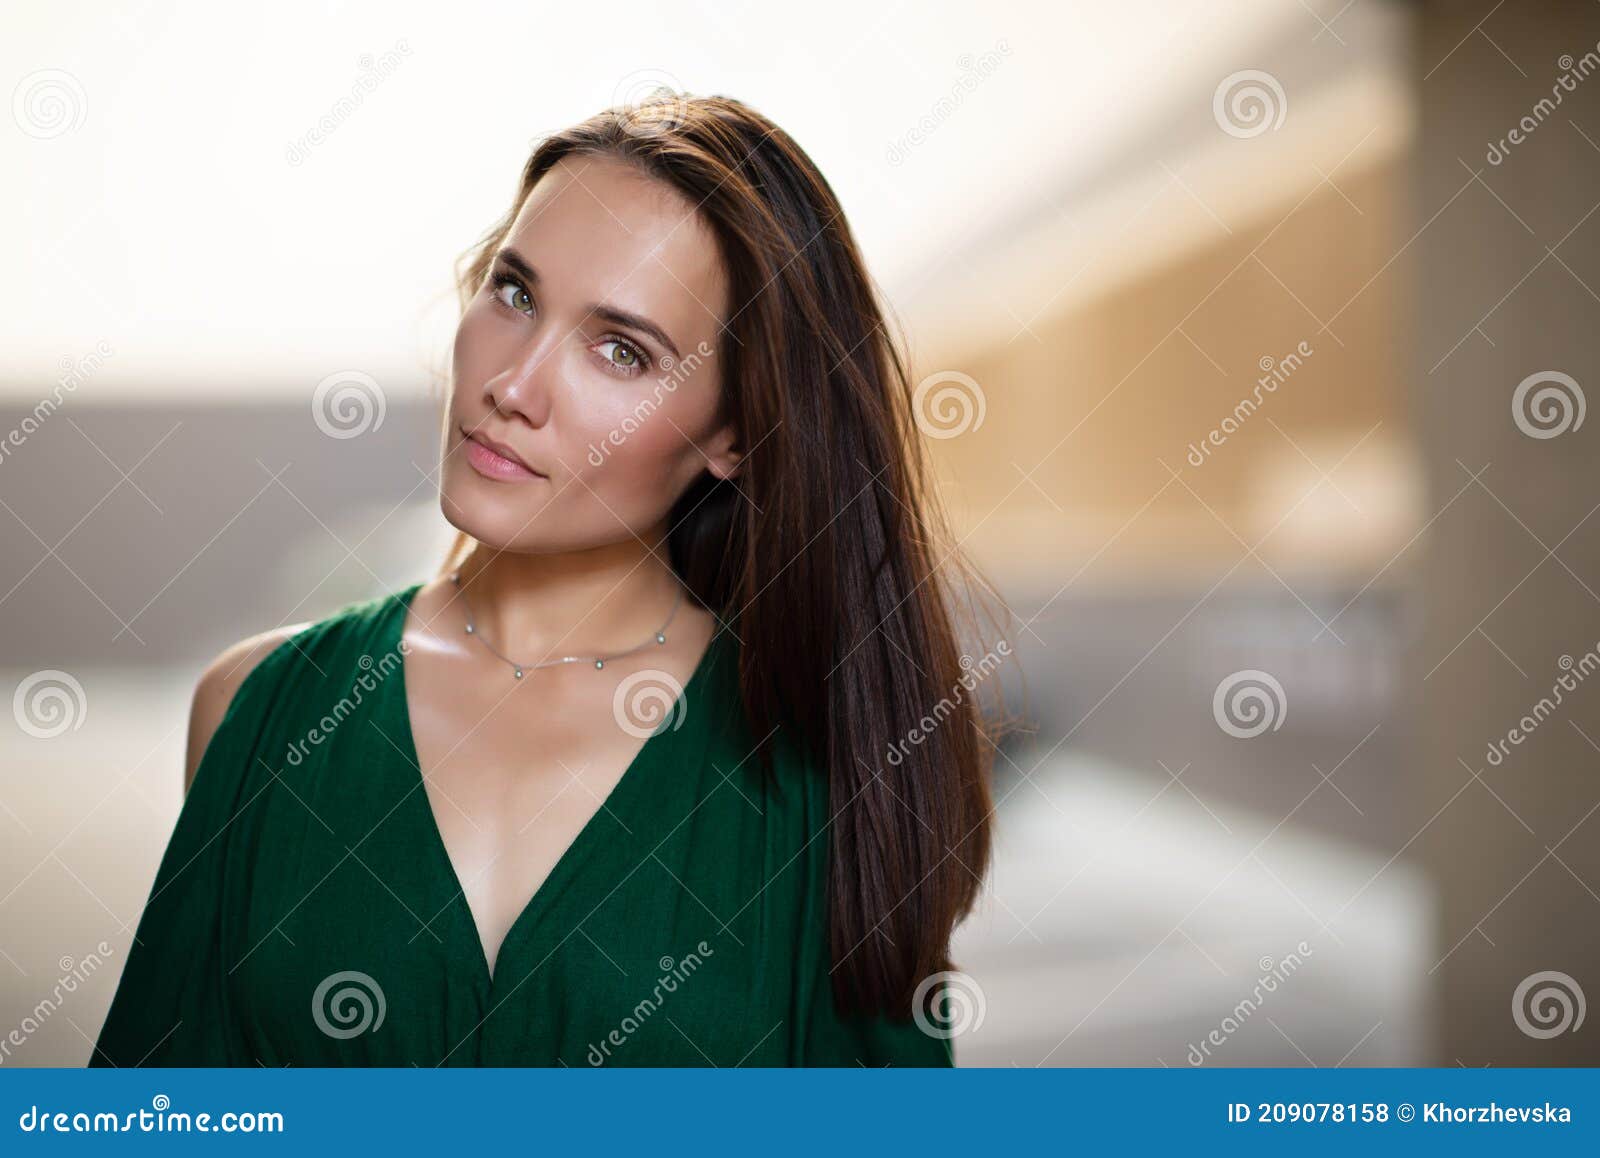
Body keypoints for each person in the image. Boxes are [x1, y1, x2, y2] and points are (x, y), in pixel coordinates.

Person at [91, 92, 1004, 1067]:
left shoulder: (821, 769)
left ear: (735, 435)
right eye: (514, 293)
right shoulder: (258, 711)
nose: (512, 387)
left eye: (621, 349)